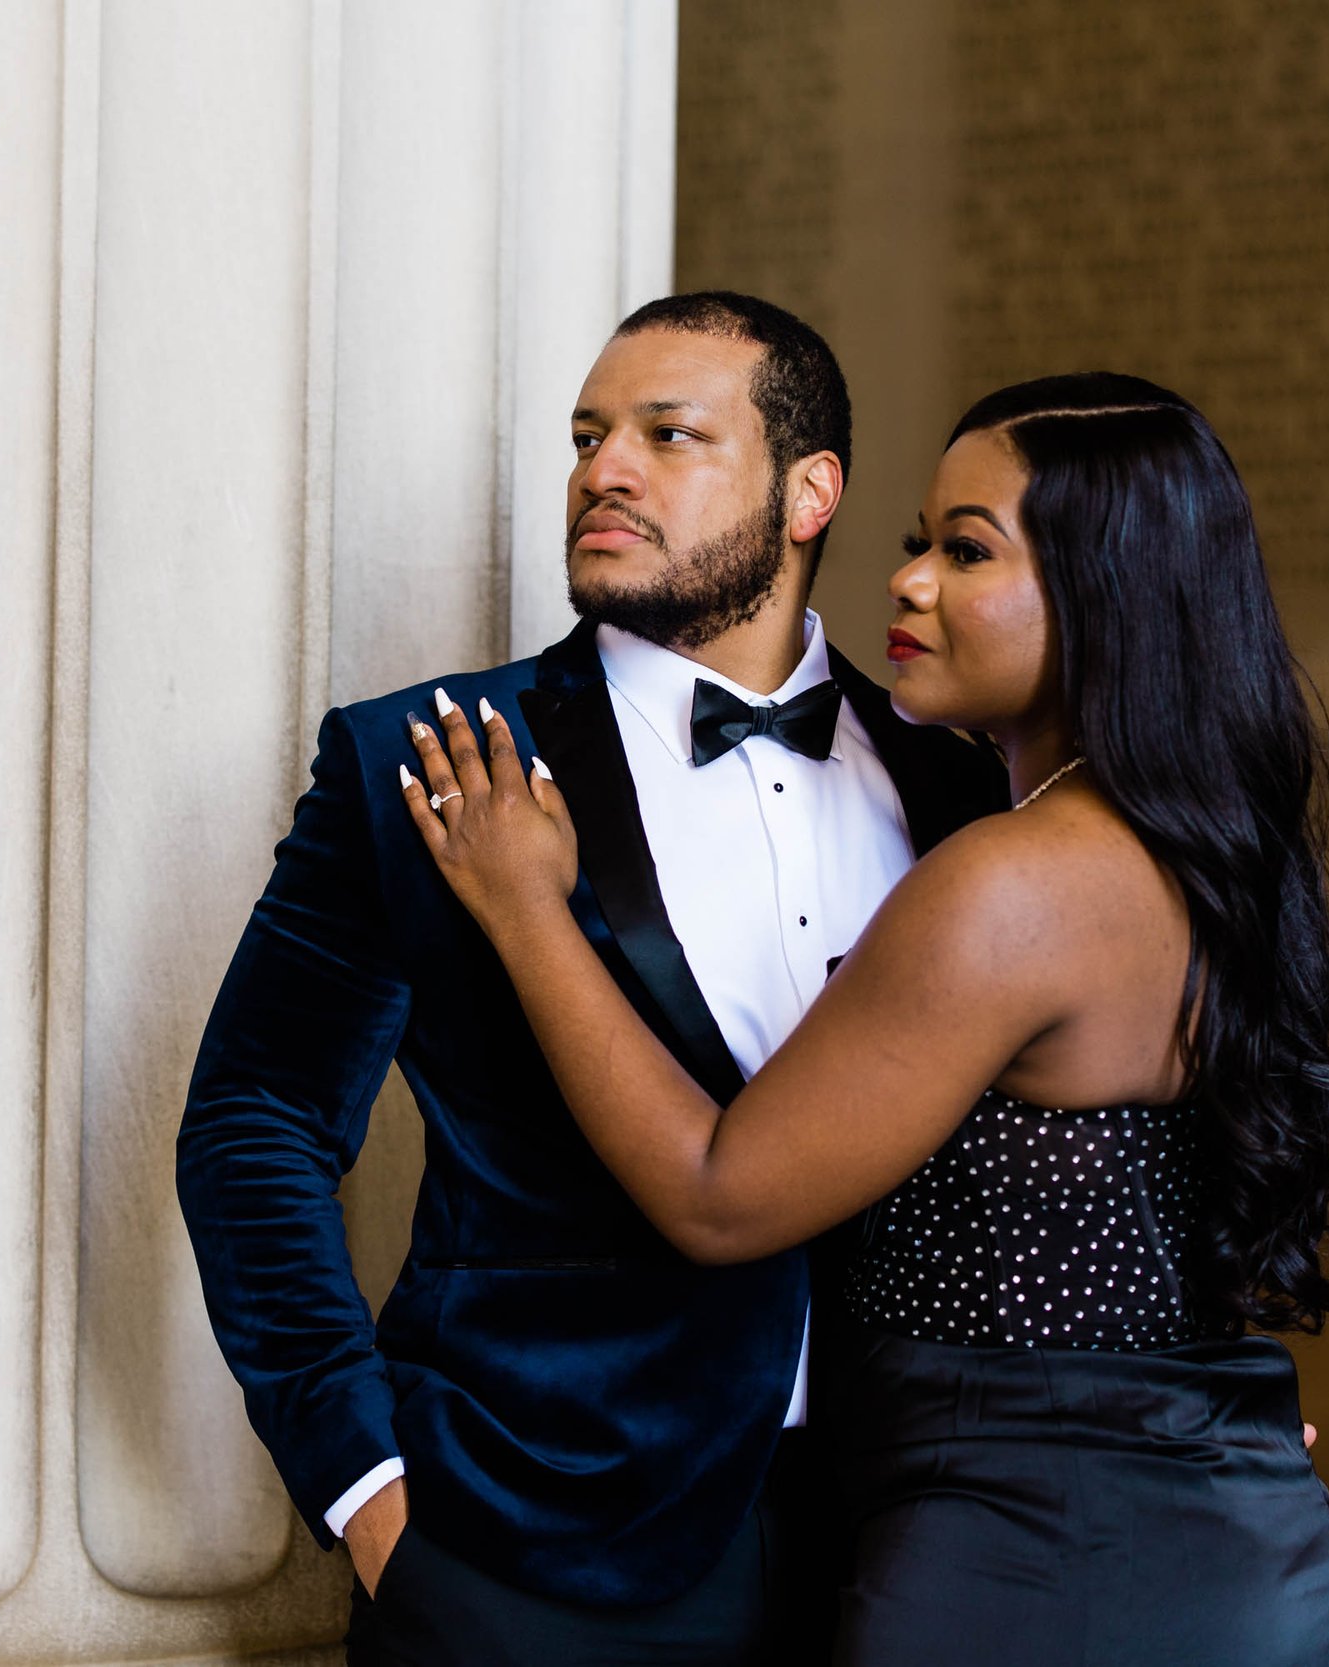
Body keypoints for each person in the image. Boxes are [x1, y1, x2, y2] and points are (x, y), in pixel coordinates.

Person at [394, 373, 1329, 1663]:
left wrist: (526, 909)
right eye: (918, 540)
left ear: (1110, 592)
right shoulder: (1194, 853)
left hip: (1034, 1554)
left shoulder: (1007, 883)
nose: (908, 580)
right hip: (1211, 1518)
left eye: (968, 550)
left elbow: (715, 1193)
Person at [176, 292, 1005, 1663]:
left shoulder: (953, 782)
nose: (602, 470)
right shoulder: (424, 758)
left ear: (812, 492)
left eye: (667, 434)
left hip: (903, 1529)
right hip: (525, 1532)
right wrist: (365, 1487)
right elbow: (253, 1120)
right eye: (587, 436)